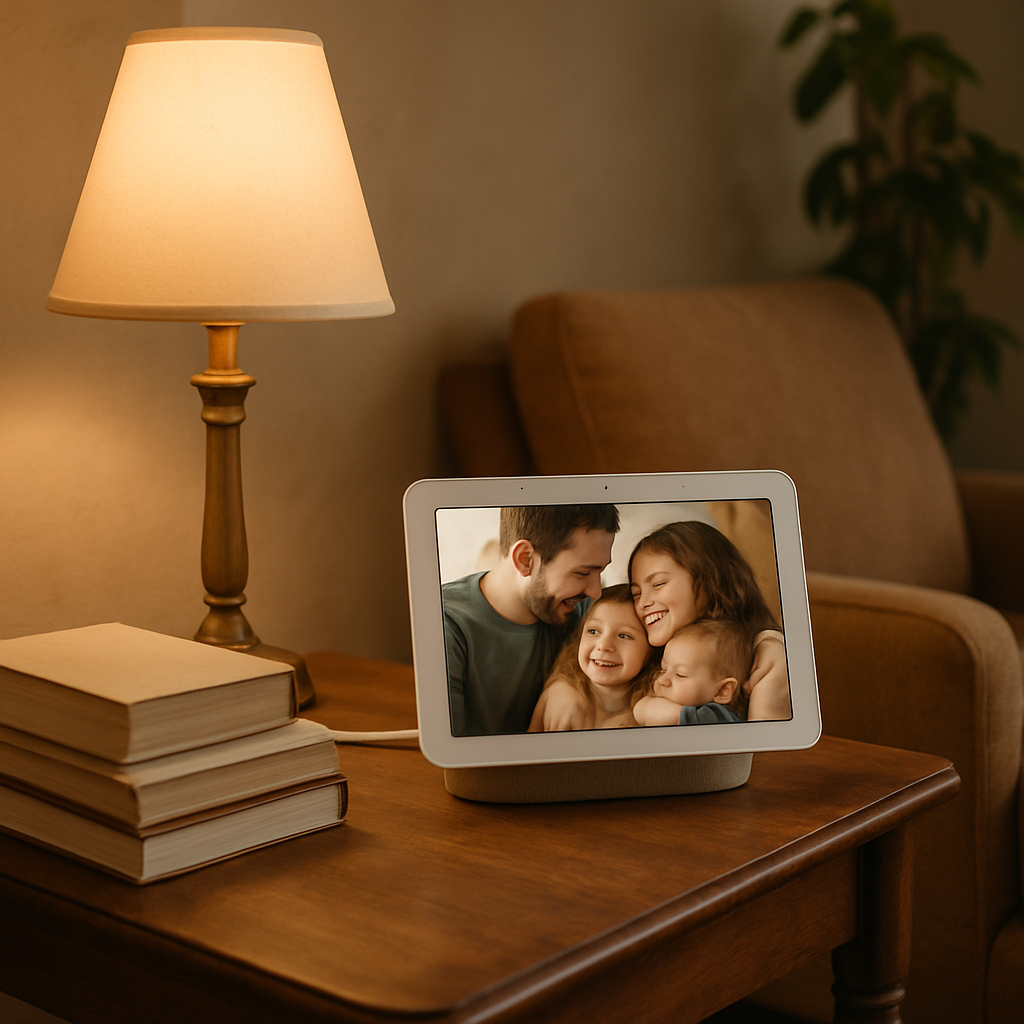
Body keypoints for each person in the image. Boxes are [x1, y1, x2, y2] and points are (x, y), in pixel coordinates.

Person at [442, 504, 619, 736]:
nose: (596, 591)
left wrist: (565, 681)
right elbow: (450, 752)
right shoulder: (446, 623)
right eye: (582, 573)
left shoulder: (583, 608)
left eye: (600, 572)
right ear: (525, 559)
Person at [628, 520, 792, 721]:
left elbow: (768, 746)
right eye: (636, 594)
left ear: (710, 581)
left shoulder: (766, 655)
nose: (643, 603)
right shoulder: (644, 647)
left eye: (659, 583)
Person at [529, 584, 658, 731]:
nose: (603, 645)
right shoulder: (556, 699)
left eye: (623, 636)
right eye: (594, 631)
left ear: (651, 651)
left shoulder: (655, 712)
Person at [633, 618, 752, 726]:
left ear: (722, 691)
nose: (662, 680)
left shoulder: (716, 717)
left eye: (680, 674)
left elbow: (653, 713)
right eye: (663, 670)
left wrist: (646, 706)